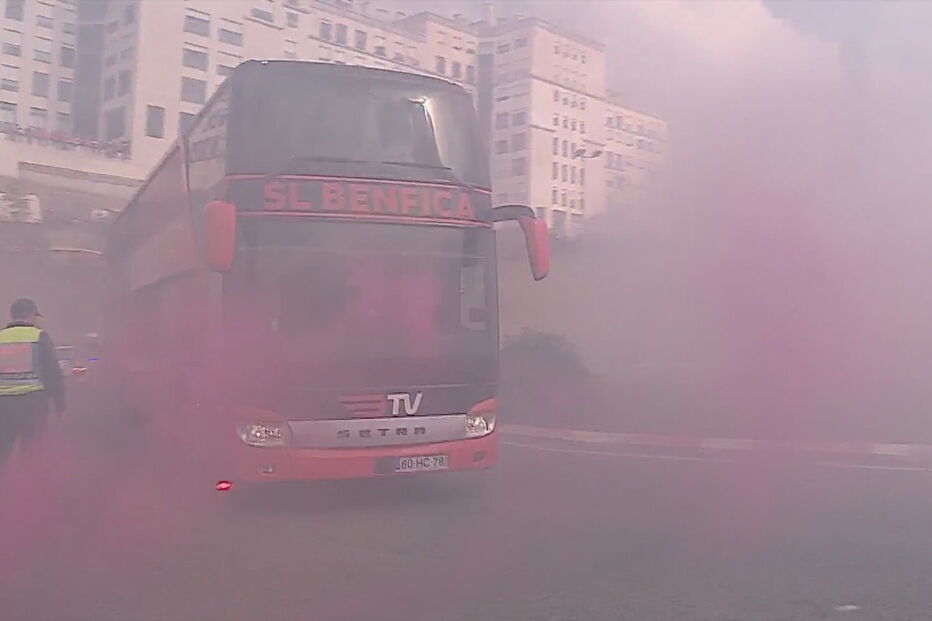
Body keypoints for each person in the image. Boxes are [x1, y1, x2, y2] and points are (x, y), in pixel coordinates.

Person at [0, 298, 65, 470]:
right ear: (30, 315)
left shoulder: (1, 338)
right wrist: (59, 405)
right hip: (32, 403)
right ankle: (27, 490)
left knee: (3, 452)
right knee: (32, 451)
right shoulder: (39, 336)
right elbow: (53, 373)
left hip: (3, 405)